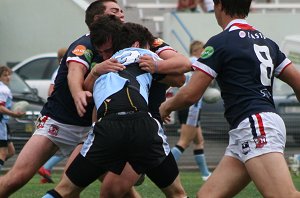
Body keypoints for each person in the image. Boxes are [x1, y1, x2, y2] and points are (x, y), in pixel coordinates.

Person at [159, 0, 300, 197]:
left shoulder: (221, 41)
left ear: (219, 6)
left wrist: (166, 106)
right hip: (251, 127)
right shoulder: (267, 42)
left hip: (255, 125)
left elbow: (191, 94)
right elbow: (298, 81)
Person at [43, 15, 187, 198]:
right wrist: (158, 67)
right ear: (136, 45)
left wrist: (94, 71)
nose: (104, 56)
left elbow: (88, 90)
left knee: (66, 190)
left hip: (108, 129)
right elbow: (184, 69)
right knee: (175, 193)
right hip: (143, 128)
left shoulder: (102, 68)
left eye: (107, 51)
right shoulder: (142, 55)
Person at [0, 1, 131, 197]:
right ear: (97, 20)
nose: (121, 14)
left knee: (118, 188)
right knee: (17, 178)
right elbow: (74, 71)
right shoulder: (84, 44)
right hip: (59, 122)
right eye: (114, 11)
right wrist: (78, 91)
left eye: (121, 10)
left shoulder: (126, 45)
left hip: (93, 128)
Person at [171, 40, 211, 182]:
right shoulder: (198, 63)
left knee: (199, 141)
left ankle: (205, 174)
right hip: (192, 108)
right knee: (183, 142)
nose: (204, 53)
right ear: (197, 51)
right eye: (203, 50)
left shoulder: (187, 62)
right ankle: (164, 169)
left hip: (185, 106)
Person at [38, 47, 68, 184]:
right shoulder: (62, 71)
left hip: (59, 114)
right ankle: (46, 167)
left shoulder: (60, 70)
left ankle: (47, 168)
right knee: (72, 147)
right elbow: (51, 91)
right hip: (62, 115)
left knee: (63, 146)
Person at [0, 66, 25, 173]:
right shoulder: (3, 90)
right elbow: (0, 107)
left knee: (11, 151)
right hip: (1, 122)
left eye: (9, 75)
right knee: (3, 152)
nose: (8, 77)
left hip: (4, 123)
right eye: (5, 75)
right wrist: (14, 114)